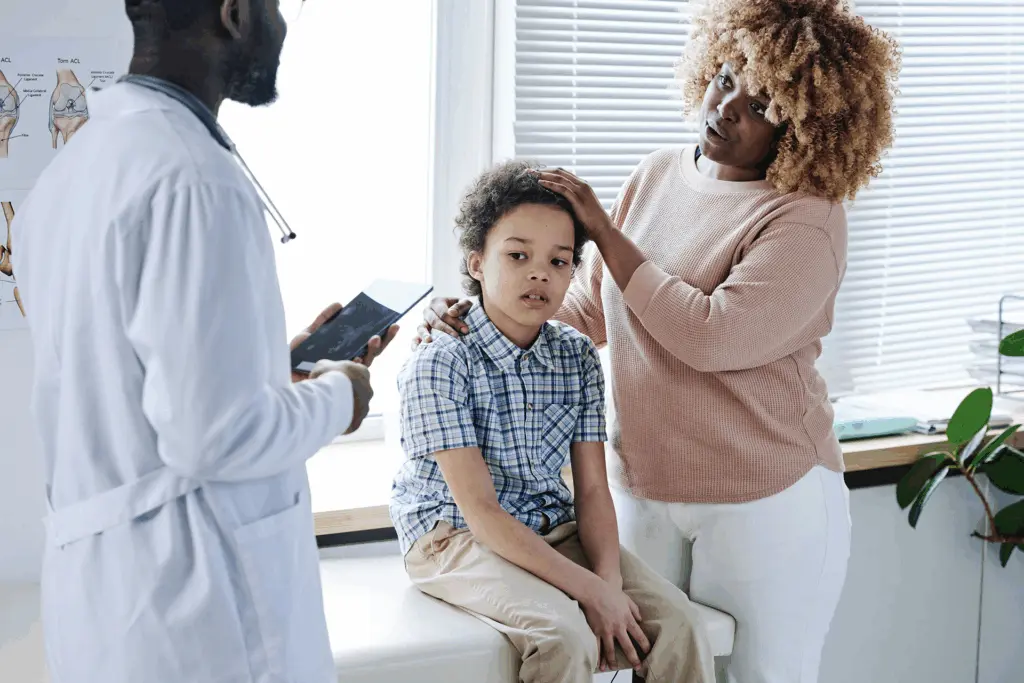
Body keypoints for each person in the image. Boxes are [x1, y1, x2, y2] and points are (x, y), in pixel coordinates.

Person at [414, 2, 901, 681]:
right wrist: (474, 317)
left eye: (760, 103)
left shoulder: (807, 220)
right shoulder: (657, 174)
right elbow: (587, 308)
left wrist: (608, 236)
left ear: (804, 127)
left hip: (764, 496)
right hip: (644, 484)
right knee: (647, 658)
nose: (726, 105)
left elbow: (709, 335)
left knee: (762, 675)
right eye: (725, 77)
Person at [11, 1, 396, 682]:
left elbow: (129, 385)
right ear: (235, 13)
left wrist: (270, 367)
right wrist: (342, 394)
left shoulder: (70, 176)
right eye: (277, 6)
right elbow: (213, 436)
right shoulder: (195, 178)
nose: (281, 24)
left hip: (104, 601)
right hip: (192, 608)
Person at [390, 160, 716, 683]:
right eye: (517, 255)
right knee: (563, 636)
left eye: (559, 261)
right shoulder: (441, 360)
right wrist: (589, 593)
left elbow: (591, 491)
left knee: (679, 625)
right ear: (476, 262)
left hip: (550, 526)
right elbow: (482, 514)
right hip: (453, 536)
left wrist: (608, 583)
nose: (539, 273)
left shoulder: (577, 355)